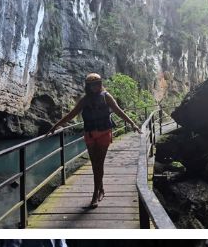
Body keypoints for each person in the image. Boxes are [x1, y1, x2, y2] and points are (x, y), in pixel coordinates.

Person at [44, 73, 138, 208]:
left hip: (104, 133)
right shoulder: (85, 100)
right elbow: (71, 114)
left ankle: (95, 195)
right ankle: (101, 189)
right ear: (88, 86)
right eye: (92, 84)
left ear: (100, 83)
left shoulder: (106, 96)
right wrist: (55, 125)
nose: (95, 86)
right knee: (95, 165)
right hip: (90, 135)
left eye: (97, 83)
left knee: (99, 164)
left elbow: (118, 111)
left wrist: (132, 123)